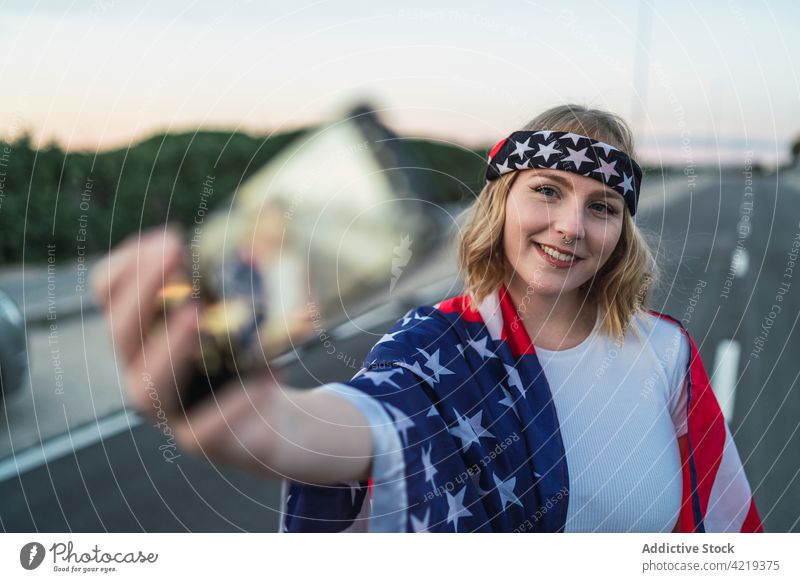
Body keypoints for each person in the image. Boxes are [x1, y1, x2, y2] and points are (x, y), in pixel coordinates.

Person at [91, 104, 762, 533]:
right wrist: (261, 420)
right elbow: (353, 426)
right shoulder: (434, 348)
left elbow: (720, 531)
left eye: (602, 207)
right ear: (502, 203)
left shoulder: (666, 353)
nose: (571, 227)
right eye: (548, 192)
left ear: (622, 231)